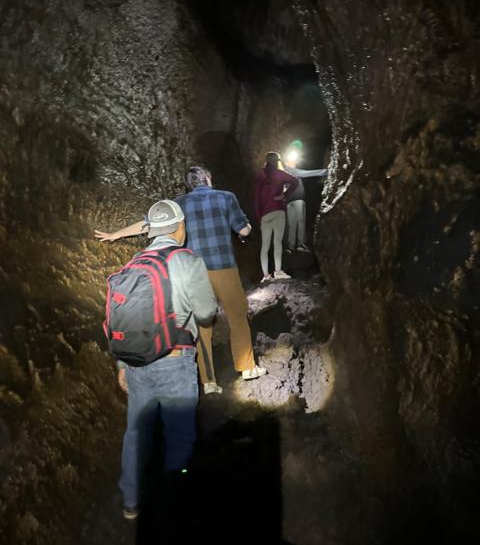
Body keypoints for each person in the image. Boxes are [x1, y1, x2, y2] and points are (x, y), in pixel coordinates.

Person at [95, 166, 266, 395]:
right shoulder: (226, 197)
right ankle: (246, 368)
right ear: (209, 179)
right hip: (224, 267)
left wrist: (115, 234)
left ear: (189, 184)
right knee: (237, 316)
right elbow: (243, 231)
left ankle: (209, 382)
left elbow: (148, 224)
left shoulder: (179, 204)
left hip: (193, 270)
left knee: (201, 325)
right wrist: (247, 227)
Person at [112, 199, 217, 520]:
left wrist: (121, 366)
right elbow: (206, 312)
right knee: (180, 433)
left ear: (151, 230)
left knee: (136, 432)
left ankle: (131, 500)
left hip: (136, 363)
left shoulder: (131, 264)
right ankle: (176, 503)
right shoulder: (186, 260)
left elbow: (120, 318)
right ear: (180, 227)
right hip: (176, 360)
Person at [253, 152, 299, 283]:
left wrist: (259, 216)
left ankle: (265, 275)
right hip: (278, 210)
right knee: (277, 242)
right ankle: (278, 272)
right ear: (277, 161)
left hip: (265, 214)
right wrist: (285, 195)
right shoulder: (279, 173)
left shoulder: (259, 175)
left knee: (265, 245)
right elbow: (295, 181)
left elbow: (256, 199)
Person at [283, 150, 328, 253]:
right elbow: (307, 173)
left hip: (290, 202)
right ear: (286, 162)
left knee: (292, 224)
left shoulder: (283, 173)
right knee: (300, 222)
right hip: (298, 200)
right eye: (291, 161)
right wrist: (325, 171)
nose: (294, 162)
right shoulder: (292, 171)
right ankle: (300, 244)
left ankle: (291, 246)